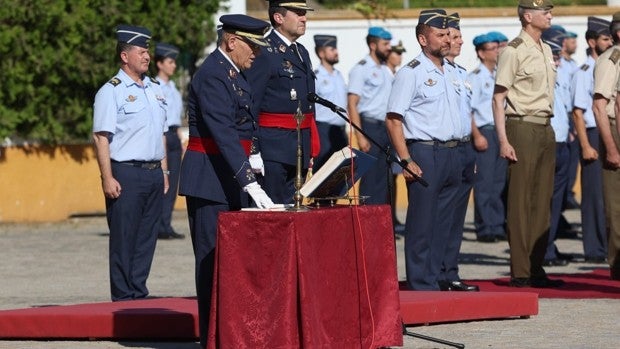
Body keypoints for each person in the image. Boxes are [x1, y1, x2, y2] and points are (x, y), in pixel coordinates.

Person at [178, 14, 273, 346]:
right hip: (209, 178)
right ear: (232, 41)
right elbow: (223, 133)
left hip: (230, 175)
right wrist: (249, 180)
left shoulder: (235, 73)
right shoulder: (212, 75)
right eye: (252, 46)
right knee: (211, 261)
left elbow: (247, 121)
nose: (256, 54)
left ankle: (230, 333)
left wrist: (255, 155)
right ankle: (211, 338)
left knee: (233, 264)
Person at [386, 9, 463, 291]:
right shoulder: (411, 73)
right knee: (422, 224)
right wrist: (405, 159)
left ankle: (436, 278)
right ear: (422, 39)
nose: (446, 39)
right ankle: (421, 284)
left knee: (445, 223)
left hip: (452, 153)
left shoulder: (452, 72)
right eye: (439, 35)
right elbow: (394, 119)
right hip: (425, 152)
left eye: (447, 34)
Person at [92, 25, 169, 301]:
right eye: (141, 51)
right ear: (125, 56)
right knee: (124, 239)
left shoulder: (154, 89)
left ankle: (139, 293)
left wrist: (164, 171)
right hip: (125, 173)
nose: (147, 56)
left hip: (152, 173)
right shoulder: (111, 91)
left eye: (148, 51)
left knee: (147, 238)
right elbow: (101, 137)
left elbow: (160, 133)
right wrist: (107, 177)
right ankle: (124, 299)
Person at [493, 0, 564, 288]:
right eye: (544, 11)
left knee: (542, 201)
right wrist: (503, 140)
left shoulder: (546, 49)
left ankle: (536, 267)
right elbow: (499, 98)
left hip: (545, 127)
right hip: (521, 126)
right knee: (520, 202)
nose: (550, 15)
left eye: (550, 10)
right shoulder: (513, 51)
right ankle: (521, 271)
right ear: (527, 16)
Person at [245, 0, 317, 204]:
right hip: (273, 149)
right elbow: (251, 104)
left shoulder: (301, 51)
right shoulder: (264, 52)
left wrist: (310, 145)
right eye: (297, 13)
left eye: (304, 13)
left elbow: (308, 102)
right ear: (278, 17)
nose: (304, 18)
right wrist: (254, 150)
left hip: (298, 146)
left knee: (294, 212)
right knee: (274, 213)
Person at [439, 13, 479, 291]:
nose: (459, 41)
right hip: (441, 150)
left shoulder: (462, 73)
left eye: (457, 36)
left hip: (464, 148)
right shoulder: (432, 71)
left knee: (456, 218)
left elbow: (468, 114)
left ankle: (450, 271)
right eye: (453, 36)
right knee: (439, 217)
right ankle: (436, 272)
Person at [572, 16, 611, 264]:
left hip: (608, 132)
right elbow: (578, 112)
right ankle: (595, 248)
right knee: (594, 195)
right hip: (593, 135)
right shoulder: (584, 72)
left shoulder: (608, 66)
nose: (610, 42)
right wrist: (586, 145)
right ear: (592, 42)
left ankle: (608, 244)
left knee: (608, 194)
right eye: (605, 38)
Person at [347, 26, 393, 205]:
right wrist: (360, 135)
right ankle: (367, 224)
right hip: (370, 127)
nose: (389, 47)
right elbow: (352, 103)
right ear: (373, 45)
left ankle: (379, 224)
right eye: (385, 44)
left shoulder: (385, 68)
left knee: (383, 178)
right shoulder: (362, 68)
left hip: (385, 127)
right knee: (371, 178)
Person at [470, 33, 507, 243]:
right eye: (493, 48)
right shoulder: (475, 78)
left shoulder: (498, 76)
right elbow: (469, 111)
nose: (497, 51)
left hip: (498, 131)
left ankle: (497, 224)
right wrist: (476, 135)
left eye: (497, 47)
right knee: (484, 182)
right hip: (484, 131)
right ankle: (484, 227)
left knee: (498, 181)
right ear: (482, 53)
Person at [541, 27, 571, 267]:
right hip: (547, 145)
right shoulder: (541, 80)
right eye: (554, 56)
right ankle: (544, 251)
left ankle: (550, 245)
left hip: (562, 145)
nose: (558, 61)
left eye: (559, 56)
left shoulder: (560, 80)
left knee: (556, 202)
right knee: (543, 201)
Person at [594, 12, 620, 281]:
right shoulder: (611, 60)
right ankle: (617, 262)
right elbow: (600, 106)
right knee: (616, 203)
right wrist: (611, 148)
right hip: (613, 128)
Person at [154, 42, 185, 240]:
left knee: (173, 184)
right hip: (162, 136)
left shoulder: (173, 87)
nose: (173, 66)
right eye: (170, 62)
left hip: (175, 135)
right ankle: (159, 225)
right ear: (160, 64)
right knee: (162, 182)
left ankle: (166, 223)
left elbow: (177, 115)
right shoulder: (155, 87)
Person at [312, 34, 348, 171]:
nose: (336, 52)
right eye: (332, 49)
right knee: (323, 169)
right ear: (321, 53)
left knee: (341, 171)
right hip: (323, 130)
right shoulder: (316, 76)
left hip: (340, 130)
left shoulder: (339, 75)